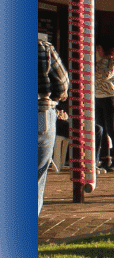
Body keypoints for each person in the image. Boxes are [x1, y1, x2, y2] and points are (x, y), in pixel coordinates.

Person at [38, 33, 68, 214]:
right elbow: (63, 83)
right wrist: (55, 98)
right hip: (40, 113)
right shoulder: (42, 47)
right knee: (37, 174)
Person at [93, 44, 114, 172]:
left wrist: (103, 60)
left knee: (111, 128)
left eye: (99, 48)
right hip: (97, 97)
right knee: (101, 129)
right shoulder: (97, 62)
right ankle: (105, 159)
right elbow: (92, 75)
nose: (97, 51)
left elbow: (106, 75)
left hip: (110, 96)